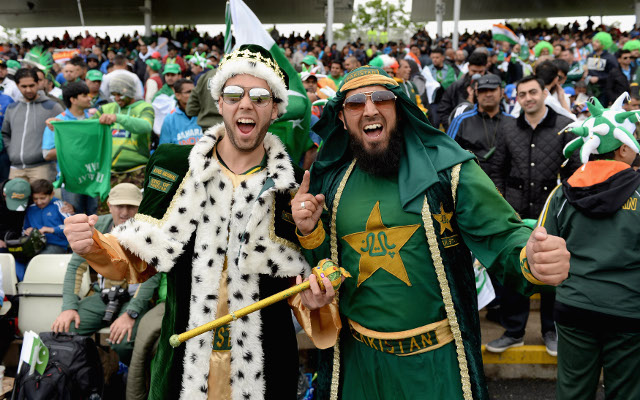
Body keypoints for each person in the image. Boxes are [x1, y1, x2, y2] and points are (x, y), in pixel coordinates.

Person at [290, 65, 571, 399]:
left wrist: (532, 258)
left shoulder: (449, 171)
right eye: (354, 104)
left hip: (435, 368)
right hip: (358, 366)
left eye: (381, 98)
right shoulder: (329, 183)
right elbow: (323, 270)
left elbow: (502, 235)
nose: (369, 110)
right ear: (341, 118)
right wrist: (308, 235)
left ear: (400, 106)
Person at [64, 44, 314, 400]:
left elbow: (304, 293)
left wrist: (318, 292)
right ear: (220, 103)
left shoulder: (293, 187)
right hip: (183, 367)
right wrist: (94, 244)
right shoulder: (174, 165)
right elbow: (138, 259)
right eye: (233, 94)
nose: (245, 104)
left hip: (266, 372)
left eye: (260, 96)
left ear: (274, 109)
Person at [537, 96, 640, 400]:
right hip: (629, 309)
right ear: (622, 147)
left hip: (574, 307)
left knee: (573, 391)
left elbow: (543, 248)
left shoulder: (562, 193)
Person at [488, 75, 580, 356]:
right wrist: (503, 204)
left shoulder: (566, 127)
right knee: (516, 270)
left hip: (552, 213)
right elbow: (496, 170)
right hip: (515, 214)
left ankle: (550, 330)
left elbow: (575, 173)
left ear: (543, 93)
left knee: (551, 275)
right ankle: (514, 330)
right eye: (522, 94)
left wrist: (564, 208)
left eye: (532, 92)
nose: (528, 98)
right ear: (516, 98)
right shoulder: (506, 128)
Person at [51, 183, 158, 365]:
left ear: (140, 208)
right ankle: (98, 368)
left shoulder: (150, 230)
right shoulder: (97, 226)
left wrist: (130, 314)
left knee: (123, 343)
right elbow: (76, 267)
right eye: (119, 206)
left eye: (131, 206)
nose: (124, 212)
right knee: (64, 330)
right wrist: (69, 306)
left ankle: (129, 377)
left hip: (134, 299)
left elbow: (151, 277)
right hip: (103, 295)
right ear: (109, 205)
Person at [42, 81, 99, 215]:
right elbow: (47, 154)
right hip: (70, 179)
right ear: (73, 99)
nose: (89, 98)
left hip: (93, 177)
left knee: (95, 217)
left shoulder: (93, 119)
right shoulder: (57, 122)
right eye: (84, 95)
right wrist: (78, 149)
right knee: (76, 218)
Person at [2, 68, 64, 182]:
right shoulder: (12, 108)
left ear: (38, 83)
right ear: (17, 85)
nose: (28, 90)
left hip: (43, 167)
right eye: (24, 86)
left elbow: (64, 133)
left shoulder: (53, 107)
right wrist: (12, 151)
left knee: (43, 200)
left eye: (32, 85)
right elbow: (5, 134)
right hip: (16, 168)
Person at [93, 73, 154, 187]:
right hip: (109, 172)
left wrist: (118, 117)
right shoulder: (106, 109)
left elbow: (146, 126)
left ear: (130, 92)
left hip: (137, 171)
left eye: (120, 95)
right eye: (114, 95)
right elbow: (88, 127)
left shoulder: (144, 107)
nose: (117, 99)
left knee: (136, 205)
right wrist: (61, 124)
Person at [447, 74, 513, 174]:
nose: (488, 94)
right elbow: (448, 153)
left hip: (504, 182)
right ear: (476, 93)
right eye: (484, 90)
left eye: (492, 90)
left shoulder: (512, 122)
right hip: (471, 181)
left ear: (502, 92)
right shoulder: (461, 120)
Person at [438, 51, 487, 129]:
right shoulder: (457, 86)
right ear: (468, 67)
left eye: (480, 72)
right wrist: (451, 128)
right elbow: (444, 110)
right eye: (474, 71)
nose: (477, 75)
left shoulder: (492, 88)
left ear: (485, 68)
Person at [23, 179, 70, 254]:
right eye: (35, 199)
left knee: (40, 259)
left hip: (57, 245)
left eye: (43, 198)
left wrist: (52, 229)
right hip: (35, 245)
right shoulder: (30, 208)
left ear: (51, 195)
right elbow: (24, 229)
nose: (39, 202)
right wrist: (27, 231)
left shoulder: (59, 205)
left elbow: (71, 226)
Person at [0, 178, 30, 280]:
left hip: (19, 239)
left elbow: (45, 196)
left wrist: (67, 206)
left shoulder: (28, 192)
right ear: (4, 193)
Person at [159, 79, 202, 145]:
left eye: (194, 91)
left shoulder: (203, 114)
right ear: (178, 95)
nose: (193, 95)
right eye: (188, 92)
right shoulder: (170, 119)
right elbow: (164, 148)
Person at [586, 32, 618, 106]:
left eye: (597, 42)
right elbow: (589, 72)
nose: (594, 43)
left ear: (604, 44)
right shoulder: (590, 56)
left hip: (604, 90)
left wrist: (599, 78)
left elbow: (614, 75)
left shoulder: (610, 58)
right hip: (591, 90)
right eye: (594, 41)